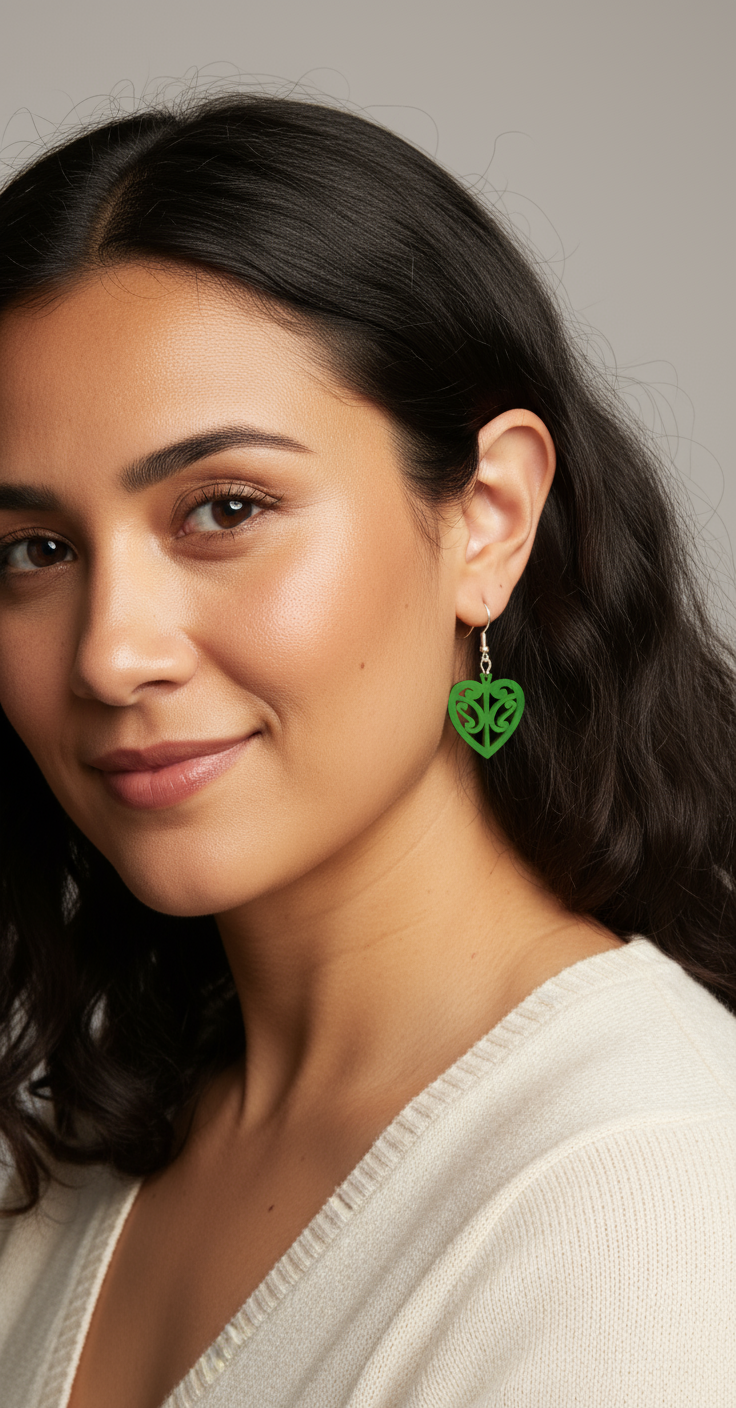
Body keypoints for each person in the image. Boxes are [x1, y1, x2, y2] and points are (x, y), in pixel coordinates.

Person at [0, 92, 734, 1408]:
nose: (112, 653)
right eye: (35, 551)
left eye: (224, 509)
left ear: (488, 521)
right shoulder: (78, 1154)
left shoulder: (646, 1205)